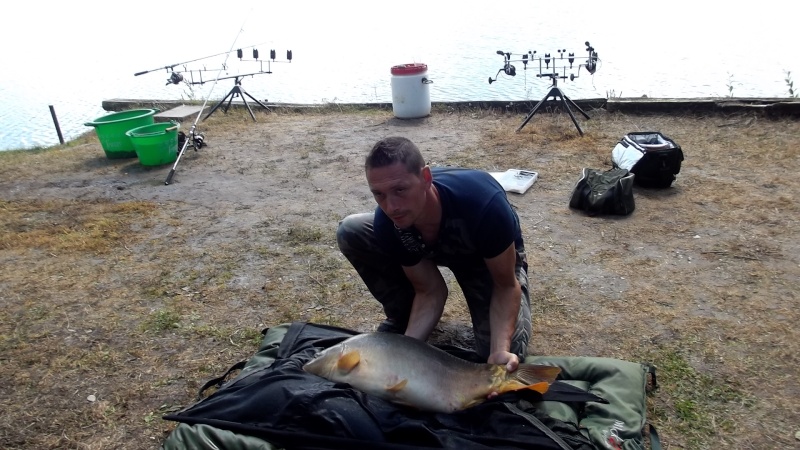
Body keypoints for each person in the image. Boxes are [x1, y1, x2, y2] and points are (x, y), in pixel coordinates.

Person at [336, 136, 531, 371]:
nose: (391, 206)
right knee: (352, 229)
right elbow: (429, 290)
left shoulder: (484, 206)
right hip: (426, 245)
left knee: (503, 357)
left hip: (482, 255)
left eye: (400, 189)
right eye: (379, 194)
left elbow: (506, 286)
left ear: (426, 178)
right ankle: (406, 317)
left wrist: (500, 349)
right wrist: (406, 351)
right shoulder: (389, 222)